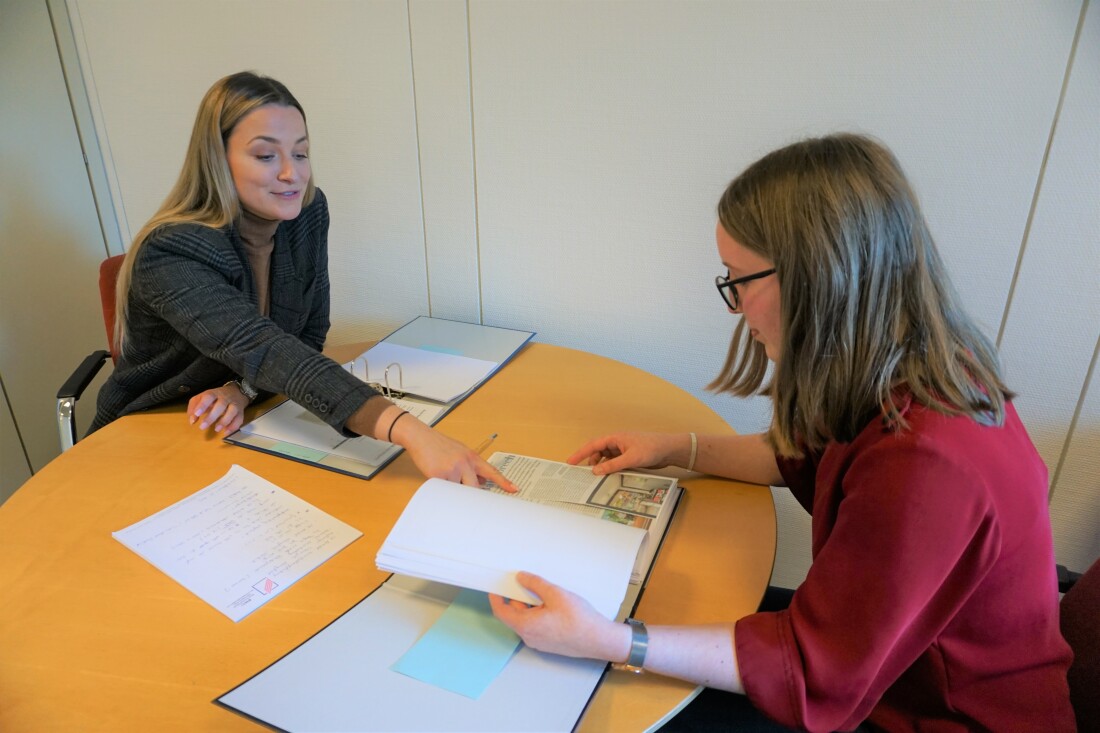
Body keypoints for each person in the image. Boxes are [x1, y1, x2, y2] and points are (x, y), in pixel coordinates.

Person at [490, 134, 1075, 731]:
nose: (737, 306)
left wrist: (611, 641)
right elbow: (799, 453)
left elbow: (811, 668)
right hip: (876, 658)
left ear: (819, 278)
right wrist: (675, 448)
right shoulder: (904, 362)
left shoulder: (927, 461)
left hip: (929, 711)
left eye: (738, 280)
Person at [91, 71, 512, 490]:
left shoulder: (306, 213)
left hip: (239, 428)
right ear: (217, 159)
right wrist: (414, 433)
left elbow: (306, 336)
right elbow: (264, 346)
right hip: (149, 435)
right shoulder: (173, 251)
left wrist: (240, 389)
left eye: (302, 153)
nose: (293, 174)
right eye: (266, 156)